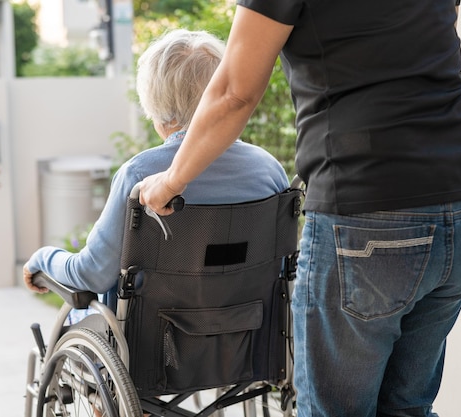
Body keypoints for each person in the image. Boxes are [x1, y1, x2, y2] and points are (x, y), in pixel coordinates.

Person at [138, 2, 461, 417]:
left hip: (365, 206)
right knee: (407, 408)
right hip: (460, 202)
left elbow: (234, 91)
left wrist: (171, 180)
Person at [23, 29, 289, 316]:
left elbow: (93, 274)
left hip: (151, 344)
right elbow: (282, 268)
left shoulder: (141, 175)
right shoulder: (269, 171)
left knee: (80, 315)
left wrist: (44, 258)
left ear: (159, 108)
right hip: (247, 336)